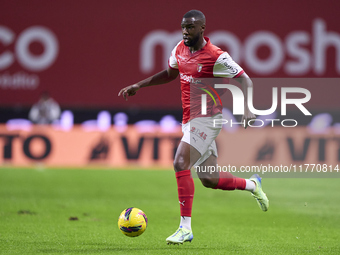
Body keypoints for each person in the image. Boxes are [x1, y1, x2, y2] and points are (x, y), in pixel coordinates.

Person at [118, 10, 269, 244]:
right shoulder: (179, 48)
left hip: (208, 119)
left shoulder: (216, 56)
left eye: (190, 27)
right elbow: (170, 73)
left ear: (202, 28)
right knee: (209, 178)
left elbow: (244, 79)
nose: (185, 31)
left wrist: (247, 108)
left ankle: (185, 228)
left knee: (180, 162)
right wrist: (140, 84)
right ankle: (252, 184)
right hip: (189, 120)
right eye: (183, 27)